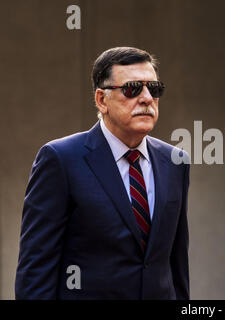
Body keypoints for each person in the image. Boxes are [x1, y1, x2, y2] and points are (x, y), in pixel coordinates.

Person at [15, 47, 190, 299]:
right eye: (132, 88)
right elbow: (36, 269)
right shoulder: (60, 159)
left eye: (154, 88)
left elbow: (176, 263)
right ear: (101, 100)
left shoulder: (176, 162)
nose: (146, 98)